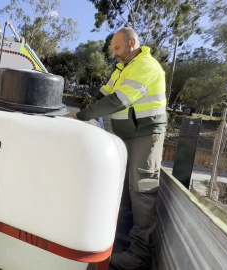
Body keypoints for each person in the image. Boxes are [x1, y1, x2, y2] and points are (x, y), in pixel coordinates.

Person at [66, 27, 167, 270]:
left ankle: (139, 255)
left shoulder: (146, 66)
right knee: (123, 189)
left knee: (141, 191)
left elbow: (116, 101)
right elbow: (104, 94)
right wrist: (81, 110)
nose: (114, 54)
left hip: (145, 135)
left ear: (132, 43)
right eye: (113, 49)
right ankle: (121, 243)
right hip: (127, 135)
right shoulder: (123, 68)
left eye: (117, 48)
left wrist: (81, 116)